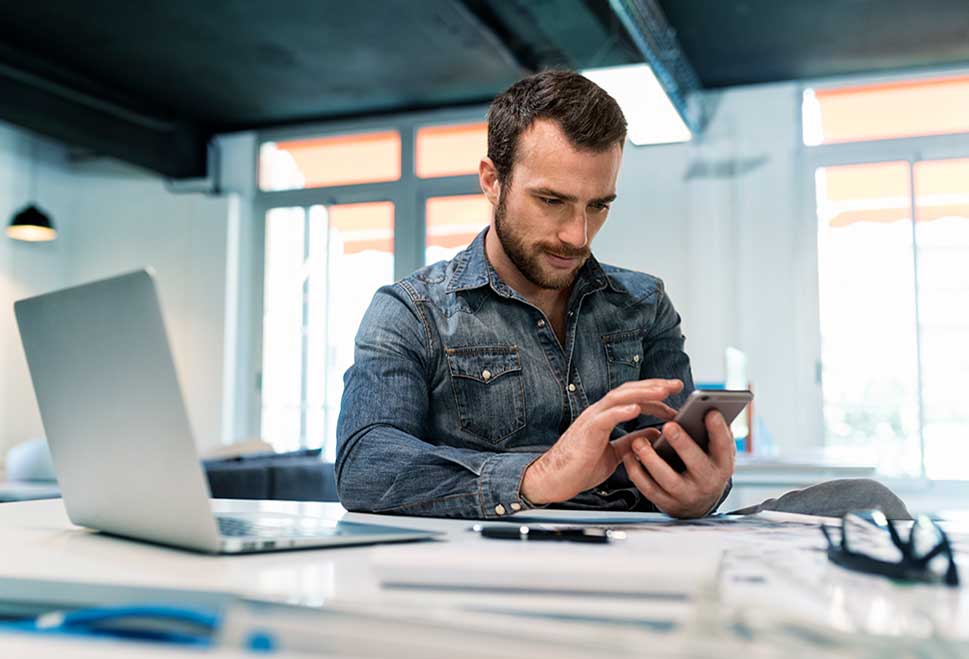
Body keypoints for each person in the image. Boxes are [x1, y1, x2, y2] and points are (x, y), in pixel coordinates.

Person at [335, 70, 910, 521]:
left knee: (866, 501)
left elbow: (687, 459)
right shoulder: (411, 311)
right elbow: (364, 466)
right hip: (503, 558)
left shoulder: (644, 304)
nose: (577, 235)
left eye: (598, 205)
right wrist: (538, 476)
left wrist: (702, 491)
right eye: (552, 200)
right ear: (492, 180)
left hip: (642, 550)